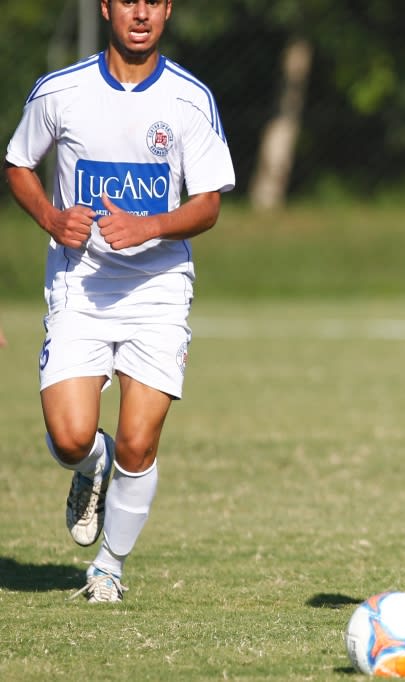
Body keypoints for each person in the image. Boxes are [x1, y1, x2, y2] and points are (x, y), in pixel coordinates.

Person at [4, 0, 234, 603]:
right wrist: (53, 217)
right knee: (72, 438)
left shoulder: (189, 99)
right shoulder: (61, 91)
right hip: (80, 285)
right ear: (106, 7)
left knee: (139, 441)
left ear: (168, 11)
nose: (141, 13)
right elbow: (18, 164)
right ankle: (89, 467)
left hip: (157, 289)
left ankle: (108, 567)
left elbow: (208, 202)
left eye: (154, 1)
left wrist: (151, 226)